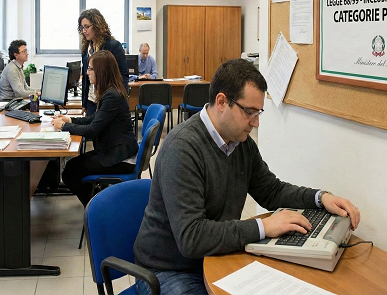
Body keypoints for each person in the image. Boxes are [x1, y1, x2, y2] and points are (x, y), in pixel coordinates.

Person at [133, 59, 361, 295]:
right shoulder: (182, 148)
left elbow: (272, 191)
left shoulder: (240, 142)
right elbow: (192, 237)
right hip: (168, 269)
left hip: (215, 255)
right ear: (222, 102)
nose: (256, 122)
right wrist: (264, 226)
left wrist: (320, 198)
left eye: (258, 112)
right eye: (249, 112)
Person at [52, 50, 138, 206]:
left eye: (90, 68)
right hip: (114, 150)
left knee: (70, 173)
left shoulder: (112, 96)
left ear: (101, 71)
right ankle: (98, 201)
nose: (87, 72)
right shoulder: (111, 92)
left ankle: (97, 209)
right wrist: (70, 119)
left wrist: (64, 126)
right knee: (72, 166)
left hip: (120, 158)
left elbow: (92, 130)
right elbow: (95, 119)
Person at [78, 8, 129, 116]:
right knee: (90, 126)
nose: (84, 31)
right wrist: (84, 103)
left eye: (86, 27)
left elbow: (123, 75)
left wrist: (120, 100)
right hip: (91, 100)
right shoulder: (86, 48)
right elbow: (86, 78)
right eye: (82, 27)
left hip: (108, 100)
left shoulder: (113, 46)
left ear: (97, 26)